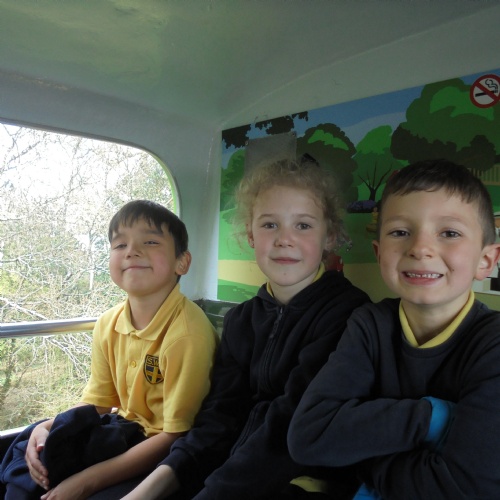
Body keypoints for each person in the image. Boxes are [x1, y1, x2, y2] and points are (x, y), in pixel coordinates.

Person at [122, 159, 370, 500]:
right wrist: (153, 485)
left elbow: (289, 425)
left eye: (303, 225)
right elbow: (219, 417)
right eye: (270, 224)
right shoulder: (241, 320)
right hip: (231, 468)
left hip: (306, 479)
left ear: (329, 236)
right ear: (251, 235)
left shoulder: (348, 314)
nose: (284, 239)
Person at [288, 159, 500, 498]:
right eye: (400, 232)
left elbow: (465, 488)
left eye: (449, 233)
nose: (420, 249)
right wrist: (429, 418)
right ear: (379, 252)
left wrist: (362, 460)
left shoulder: (492, 344)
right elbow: (309, 437)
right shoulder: (369, 325)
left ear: (486, 260)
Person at [1, 200, 218, 500]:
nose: (132, 251)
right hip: (122, 430)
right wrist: (46, 428)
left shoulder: (187, 334)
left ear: (182, 262)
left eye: (150, 241)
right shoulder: (108, 323)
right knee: (29, 444)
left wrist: (87, 481)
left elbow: (175, 434)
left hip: (162, 450)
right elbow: (99, 403)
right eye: (120, 245)